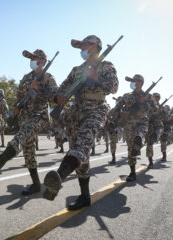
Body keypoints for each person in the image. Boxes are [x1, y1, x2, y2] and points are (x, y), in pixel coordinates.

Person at [43, 35, 119, 210]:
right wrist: (58, 97)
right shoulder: (77, 69)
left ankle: (59, 176)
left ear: (95, 46)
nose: (81, 49)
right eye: (80, 46)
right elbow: (63, 86)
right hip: (76, 112)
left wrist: (95, 78)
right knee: (80, 155)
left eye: (84, 45)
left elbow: (113, 87)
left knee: (83, 143)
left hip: (96, 109)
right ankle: (85, 196)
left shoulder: (105, 66)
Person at [0, 49, 58, 196]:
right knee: (28, 150)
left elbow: (55, 98)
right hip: (25, 116)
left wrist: (40, 89)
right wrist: (17, 107)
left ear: (43, 61)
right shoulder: (26, 77)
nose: (32, 60)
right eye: (31, 58)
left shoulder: (48, 77)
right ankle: (36, 184)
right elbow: (20, 95)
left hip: (39, 116)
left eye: (35, 57)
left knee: (19, 139)